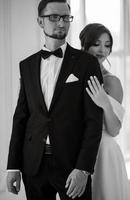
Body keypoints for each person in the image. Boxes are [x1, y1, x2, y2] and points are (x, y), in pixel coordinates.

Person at [6, 1, 103, 200]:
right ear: (40, 21)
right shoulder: (26, 66)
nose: (61, 23)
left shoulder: (87, 63)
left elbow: (94, 121)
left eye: (66, 17)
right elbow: (21, 117)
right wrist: (12, 166)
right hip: (34, 164)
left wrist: (83, 169)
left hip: (72, 164)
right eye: (54, 17)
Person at [79, 23, 130, 200]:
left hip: (104, 155)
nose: (102, 50)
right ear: (84, 45)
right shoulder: (72, 77)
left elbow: (114, 130)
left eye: (107, 45)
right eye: (96, 43)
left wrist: (105, 103)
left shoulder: (112, 82)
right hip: (77, 152)